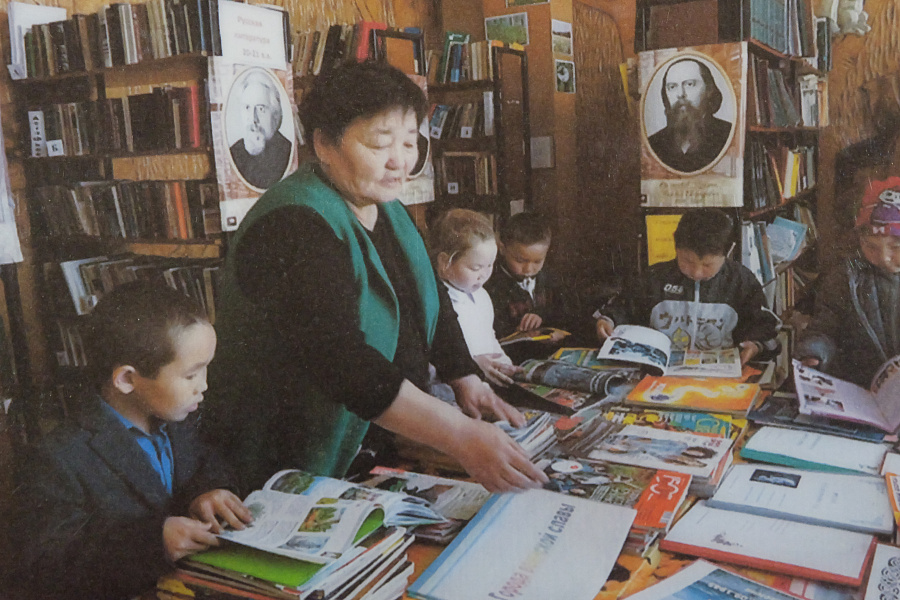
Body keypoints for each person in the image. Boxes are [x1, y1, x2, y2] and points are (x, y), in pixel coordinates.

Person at [203, 60, 547, 495]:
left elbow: (430, 301)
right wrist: (458, 435)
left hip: (379, 438)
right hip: (291, 460)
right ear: (324, 144)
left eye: (409, 142)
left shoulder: (388, 211)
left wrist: (464, 376)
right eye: (380, 143)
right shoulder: (293, 223)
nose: (400, 161)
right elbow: (342, 362)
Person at [0, 282, 252, 600]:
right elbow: (50, 561)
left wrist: (207, 492)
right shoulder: (57, 458)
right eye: (191, 375)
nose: (203, 386)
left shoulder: (179, 417)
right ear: (127, 379)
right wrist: (154, 542)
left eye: (206, 369)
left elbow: (206, 461)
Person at [595, 208, 780, 364]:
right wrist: (608, 321)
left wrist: (756, 346)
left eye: (707, 265)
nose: (696, 273)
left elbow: (767, 328)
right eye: (687, 261)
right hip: (660, 372)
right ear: (676, 247)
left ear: (727, 252)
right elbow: (622, 308)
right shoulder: (654, 278)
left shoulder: (741, 282)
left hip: (719, 375)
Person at [795, 177, 900, 386]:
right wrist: (814, 352)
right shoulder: (844, 277)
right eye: (871, 247)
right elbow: (825, 330)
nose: (884, 257)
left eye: (896, 247)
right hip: (860, 386)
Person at [431, 208, 518, 386]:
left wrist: (506, 364)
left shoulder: (482, 296)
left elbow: (489, 337)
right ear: (445, 263)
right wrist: (472, 366)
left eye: (490, 265)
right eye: (476, 268)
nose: (484, 275)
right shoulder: (437, 303)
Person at [484, 211, 574, 362]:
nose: (529, 269)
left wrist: (544, 318)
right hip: (514, 358)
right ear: (502, 249)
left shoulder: (550, 278)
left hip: (552, 353)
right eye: (520, 261)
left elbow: (566, 313)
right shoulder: (492, 284)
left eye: (537, 261)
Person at [647, 57, 732, 173]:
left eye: (690, 84)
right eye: (672, 87)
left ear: (709, 89)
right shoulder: (654, 143)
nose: (680, 94)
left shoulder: (728, 135)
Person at [229, 69, 293, 189]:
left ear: (275, 114)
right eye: (247, 108)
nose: (253, 119)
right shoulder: (234, 152)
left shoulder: (288, 151)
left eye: (260, 109)